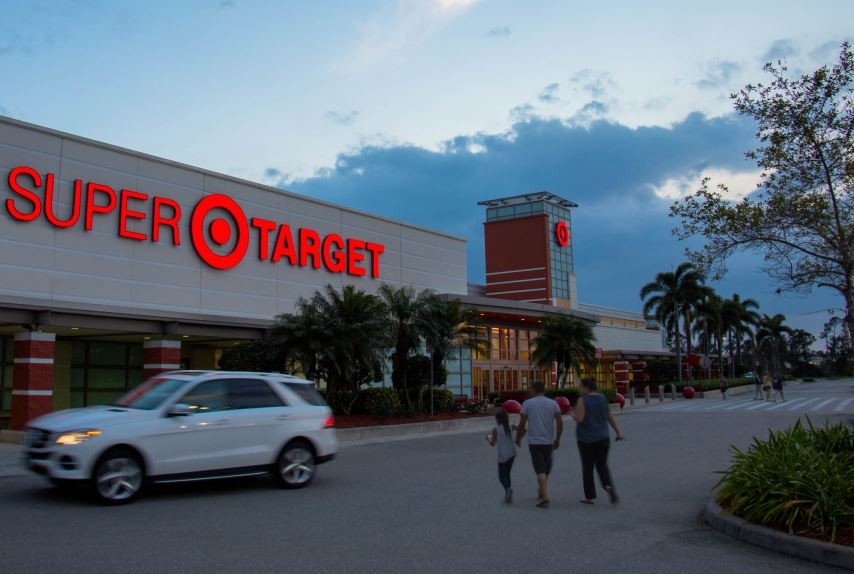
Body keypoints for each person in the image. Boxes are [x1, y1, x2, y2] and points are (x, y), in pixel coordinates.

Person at [571, 378, 624, 505]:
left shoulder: (582, 400)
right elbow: (609, 416)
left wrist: (572, 414)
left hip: (586, 439)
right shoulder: (602, 398)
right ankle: (608, 486)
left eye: (581, 386)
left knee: (587, 467)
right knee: (602, 465)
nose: (579, 389)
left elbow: (580, 418)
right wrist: (618, 432)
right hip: (603, 437)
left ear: (586, 387)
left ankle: (589, 496)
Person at [515, 381, 563, 508]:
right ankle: (543, 492)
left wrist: (518, 437)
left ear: (533, 390)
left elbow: (522, 423)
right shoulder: (553, 403)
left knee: (540, 469)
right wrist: (557, 438)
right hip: (548, 441)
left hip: (534, 442)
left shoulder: (527, 404)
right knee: (546, 468)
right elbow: (559, 422)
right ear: (544, 390)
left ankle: (545, 497)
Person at [487, 409, 517, 503]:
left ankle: (508, 489)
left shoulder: (496, 430)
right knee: (507, 473)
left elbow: (492, 443)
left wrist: (488, 439)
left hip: (503, 456)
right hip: (512, 454)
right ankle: (508, 491)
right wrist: (519, 437)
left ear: (498, 419)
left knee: (501, 476)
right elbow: (522, 428)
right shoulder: (510, 426)